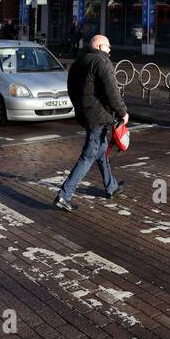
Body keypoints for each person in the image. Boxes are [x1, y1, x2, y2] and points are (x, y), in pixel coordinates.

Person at [54, 34, 127, 212]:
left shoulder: (79, 61)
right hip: (98, 117)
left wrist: (81, 108)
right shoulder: (102, 62)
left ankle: (111, 187)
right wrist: (123, 112)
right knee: (88, 156)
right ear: (100, 47)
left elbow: (71, 88)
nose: (110, 51)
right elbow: (112, 91)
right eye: (109, 47)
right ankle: (64, 195)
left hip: (86, 114)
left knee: (100, 152)